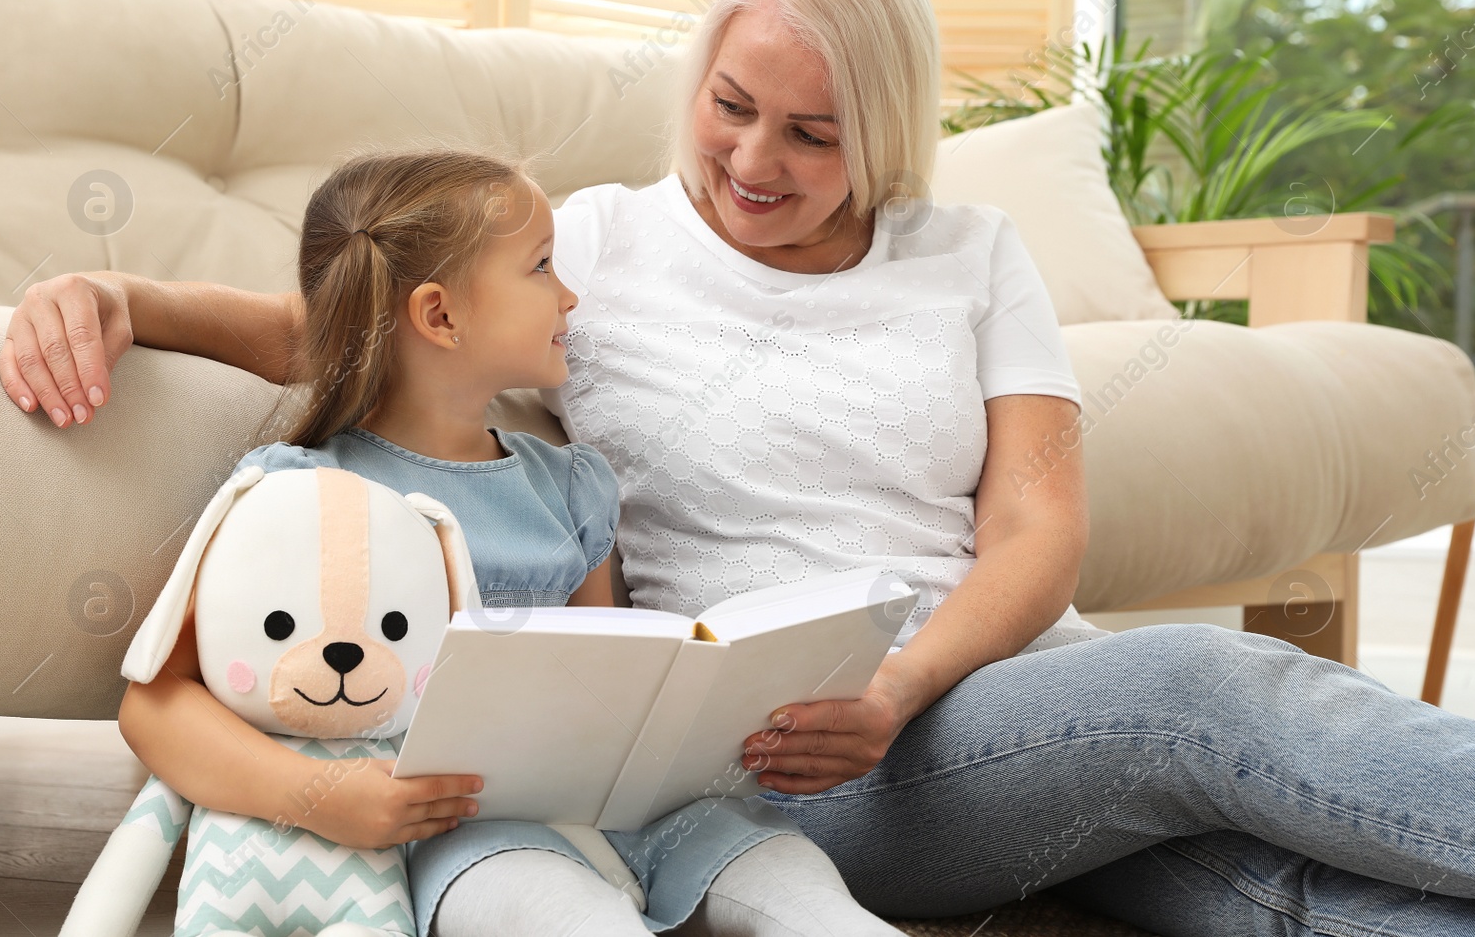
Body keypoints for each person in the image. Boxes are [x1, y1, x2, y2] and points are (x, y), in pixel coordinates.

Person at [1, 0, 1475, 937]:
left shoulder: (970, 254)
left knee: (1261, 884)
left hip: (989, 702)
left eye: (813, 130)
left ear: (886, 126)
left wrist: (908, 680)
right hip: (784, 765)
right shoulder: (597, 245)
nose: (753, 161)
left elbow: (1041, 526)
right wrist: (123, 293)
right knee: (1218, 694)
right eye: (732, 106)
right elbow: (370, 317)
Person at [106, 147, 906, 937]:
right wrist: (318, 795)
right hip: (465, 836)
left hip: (633, 808)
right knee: (564, 914)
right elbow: (155, 702)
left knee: (789, 879)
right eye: (541, 267)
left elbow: (619, 663)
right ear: (440, 315)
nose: (569, 295)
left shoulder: (568, 484)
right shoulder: (301, 495)